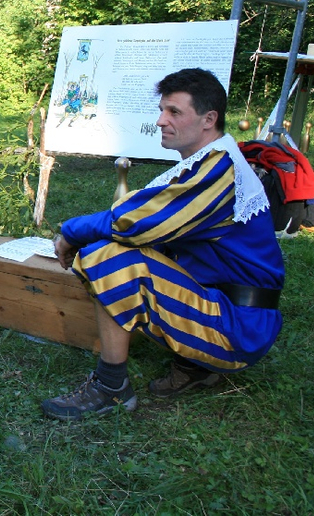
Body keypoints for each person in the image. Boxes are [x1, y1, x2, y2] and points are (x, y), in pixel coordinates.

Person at [41, 68, 285, 421]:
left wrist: (70, 232)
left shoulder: (219, 171)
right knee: (127, 249)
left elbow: (133, 223)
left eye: (174, 112)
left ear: (208, 119)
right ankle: (196, 366)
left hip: (240, 327)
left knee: (107, 258)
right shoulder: (211, 162)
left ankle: (111, 387)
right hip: (229, 307)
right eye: (161, 110)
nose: (160, 121)